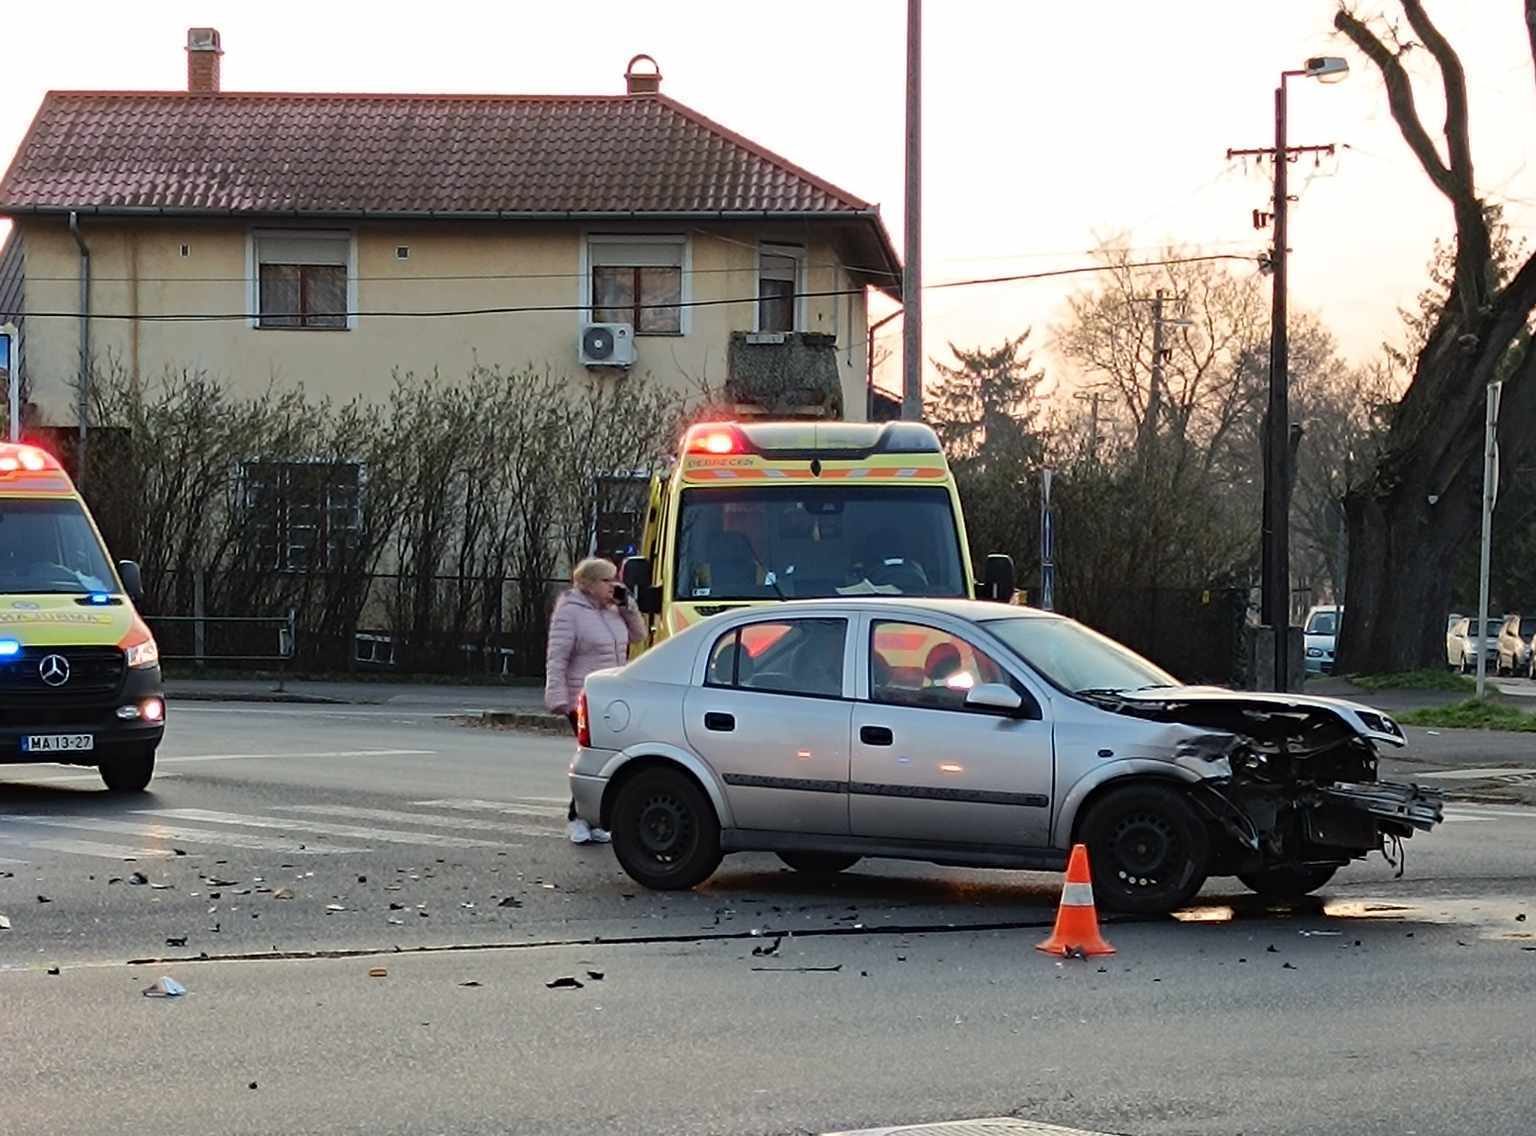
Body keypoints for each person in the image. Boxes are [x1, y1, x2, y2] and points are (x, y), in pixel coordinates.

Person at [544, 556, 646, 844]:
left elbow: (638, 636)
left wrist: (629, 606)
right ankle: (576, 819)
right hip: (583, 696)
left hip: (612, 695)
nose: (613, 586)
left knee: (608, 760)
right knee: (591, 758)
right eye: (606, 580)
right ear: (588, 584)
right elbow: (557, 656)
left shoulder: (614, 610)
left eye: (615, 579)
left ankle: (597, 819)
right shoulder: (570, 611)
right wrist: (557, 696)